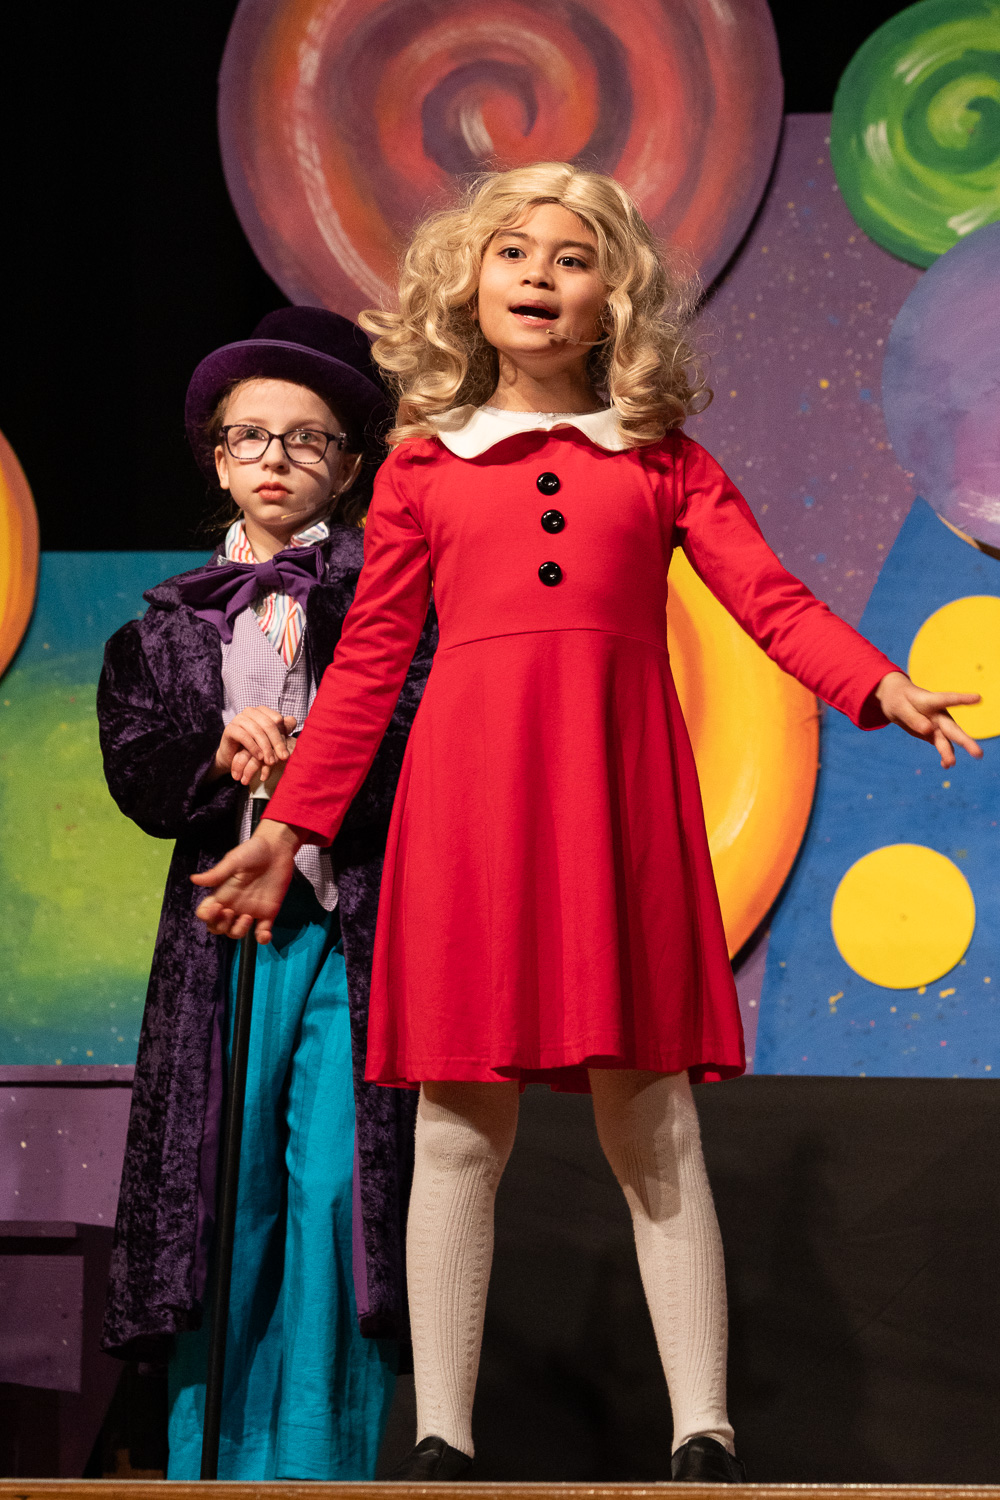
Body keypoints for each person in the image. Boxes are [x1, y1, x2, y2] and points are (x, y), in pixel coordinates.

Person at [190, 165, 982, 1483]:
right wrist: (294, 825)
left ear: (612, 294)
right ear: (471, 282)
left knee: (650, 1119)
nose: (541, 276)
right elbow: (372, 663)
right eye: (515, 251)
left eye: (571, 256)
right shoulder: (424, 469)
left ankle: (703, 1429)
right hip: (467, 819)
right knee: (458, 1124)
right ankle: (442, 1436)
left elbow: (770, 600)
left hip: (618, 813)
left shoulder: (662, 460)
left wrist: (875, 682)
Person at [97, 306, 437, 1480]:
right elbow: (138, 774)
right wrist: (214, 748)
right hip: (221, 944)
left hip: (348, 931)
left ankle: (315, 1462)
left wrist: (322, 760)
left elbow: (424, 735)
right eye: (251, 437)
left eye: (308, 439)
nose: (276, 459)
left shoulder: (393, 603)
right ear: (218, 459)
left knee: (337, 1190)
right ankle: (214, 1464)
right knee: (222, 1190)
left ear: (349, 464)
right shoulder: (162, 631)